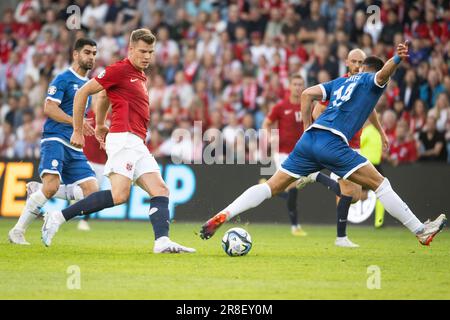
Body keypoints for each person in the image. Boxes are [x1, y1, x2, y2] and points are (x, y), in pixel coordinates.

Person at [200, 41, 447, 247]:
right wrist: (396, 59)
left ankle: (225, 213)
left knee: (271, 187)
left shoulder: (339, 82)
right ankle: (420, 230)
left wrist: (307, 127)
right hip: (335, 143)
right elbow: (383, 74)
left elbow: (307, 94)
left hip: (309, 140)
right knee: (381, 184)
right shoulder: (370, 80)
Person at [41, 28, 195, 253]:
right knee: (120, 195)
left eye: (150, 52)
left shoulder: (140, 75)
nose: (147, 56)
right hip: (124, 138)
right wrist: (77, 129)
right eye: (142, 51)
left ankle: (161, 242)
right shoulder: (120, 69)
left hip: (137, 141)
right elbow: (84, 92)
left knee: (161, 190)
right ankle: (57, 217)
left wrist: (102, 123)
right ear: (130, 49)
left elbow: (104, 95)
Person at [8, 38, 99, 245]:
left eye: (94, 53)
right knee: (50, 188)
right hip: (55, 139)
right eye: (87, 52)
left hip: (74, 146)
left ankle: (38, 191)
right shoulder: (63, 79)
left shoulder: (89, 85)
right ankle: (17, 231)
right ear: (76, 54)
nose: (91, 57)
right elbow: (49, 108)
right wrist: (76, 122)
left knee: (92, 192)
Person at [297, 48, 389, 247]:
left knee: (354, 195)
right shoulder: (339, 84)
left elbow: (370, 109)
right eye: (354, 61)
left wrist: (381, 132)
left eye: (360, 62)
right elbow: (317, 109)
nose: (357, 65)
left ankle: (315, 176)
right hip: (338, 143)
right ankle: (341, 237)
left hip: (354, 143)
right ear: (347, 62)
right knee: (349, 191)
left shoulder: (365, 83)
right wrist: (322, 130)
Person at [262, 74, 308, 236]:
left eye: (300, 84)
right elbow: (266, 123)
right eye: (294, 84)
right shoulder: (281, 106)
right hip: (282, 153)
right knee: (293, 186)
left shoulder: (306, 106)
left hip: (301, 153)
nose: (297, 87)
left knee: (288, 189)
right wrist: (270, 136)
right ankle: (295, 227)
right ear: (289, 86)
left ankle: (266, 186)